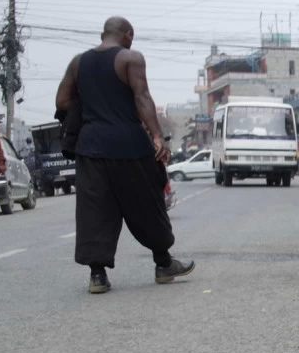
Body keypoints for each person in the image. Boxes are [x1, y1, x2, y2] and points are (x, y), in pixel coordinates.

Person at [55, 17, 194, 294]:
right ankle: (164, 264)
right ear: (128, 35)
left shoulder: (78, 62)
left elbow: (62, 101)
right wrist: (156, 135)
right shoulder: (130, 58)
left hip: (90, 148)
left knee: (95, 210)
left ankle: (97, 276)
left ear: (103, 34)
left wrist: (92, 108)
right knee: (147, 204)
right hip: (129, 145)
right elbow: (142, 97)